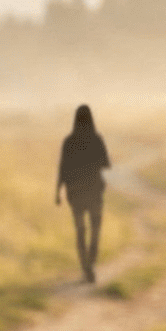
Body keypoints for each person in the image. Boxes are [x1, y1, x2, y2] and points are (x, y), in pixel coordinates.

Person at [55, 104, 111, 282]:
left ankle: (86, 267)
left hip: (75, 193)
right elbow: (106, 164)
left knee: (80, 231)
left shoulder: (69, 141)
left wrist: (57, 192)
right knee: (95, 230)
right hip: (95, 192)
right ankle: (91, 265)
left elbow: (62, 168)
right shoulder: (96, 139)